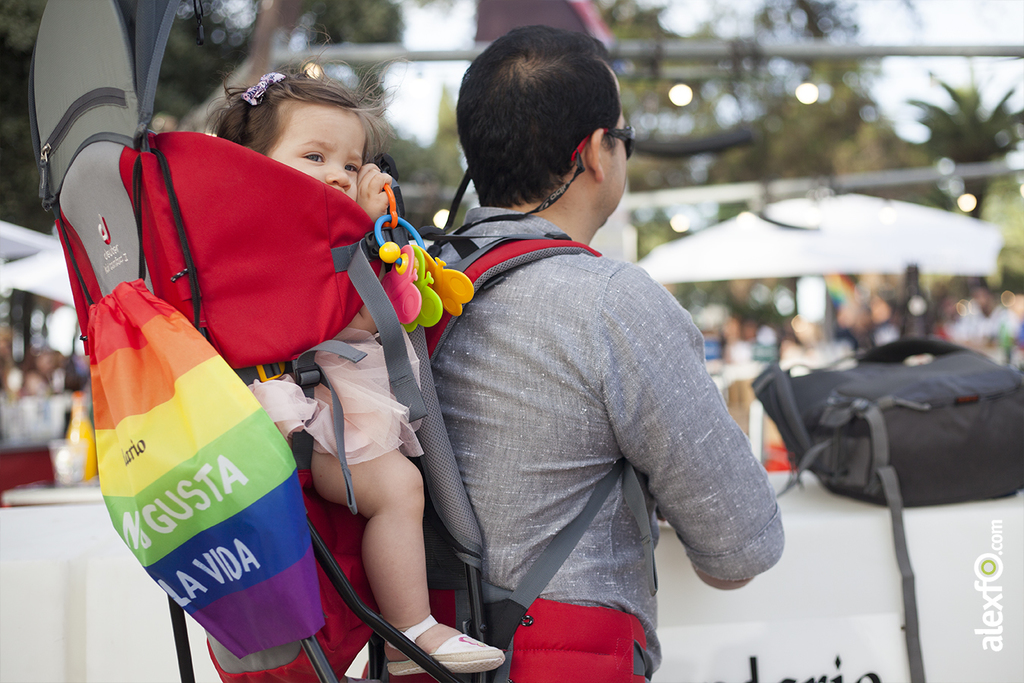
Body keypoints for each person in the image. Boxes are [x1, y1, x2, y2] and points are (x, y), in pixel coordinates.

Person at [430, 26, 785, 678]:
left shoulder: (415, 285)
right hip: (562, 658)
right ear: (596, 153)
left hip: (425, 652)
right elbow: (739, 547)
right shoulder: (613, 302)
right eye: (625, 137)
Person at [212, 70, 505, 678]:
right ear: (253, 163)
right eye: (314, 156)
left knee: (396, 491)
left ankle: (404, 629)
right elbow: (356, 316)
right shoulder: (276, 238)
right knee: (398, 490)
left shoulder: (259, 237)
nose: (337, 175)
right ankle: (407, 631)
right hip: (305, 409)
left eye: (350, 164)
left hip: (314, 404)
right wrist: (362, 238)